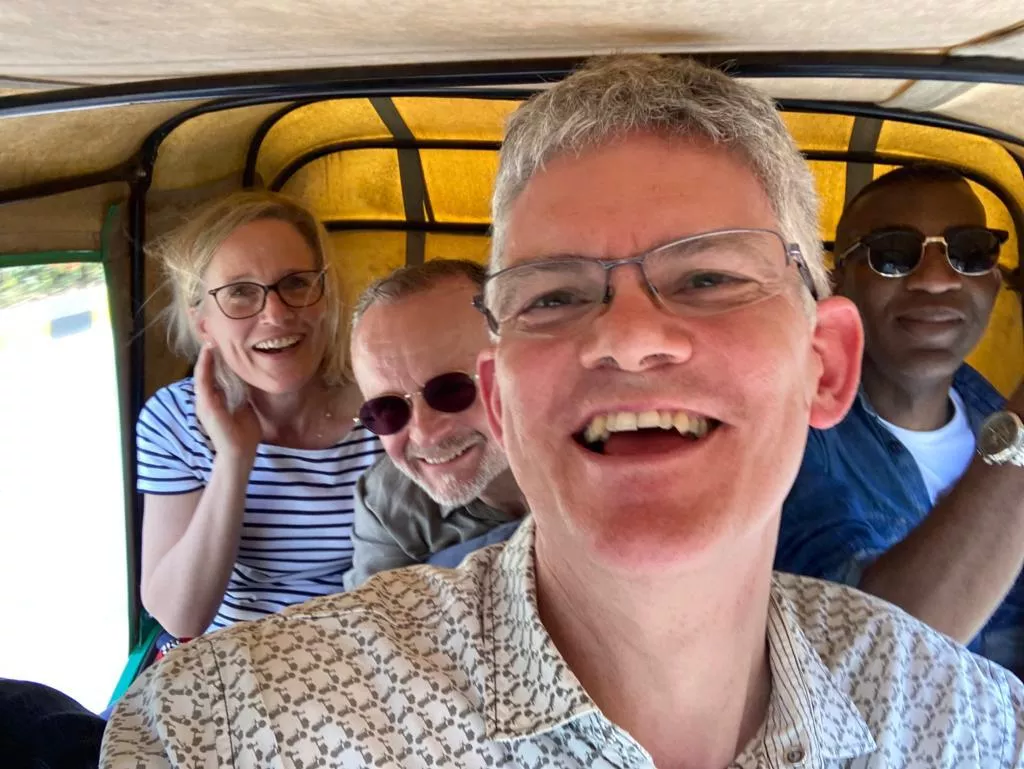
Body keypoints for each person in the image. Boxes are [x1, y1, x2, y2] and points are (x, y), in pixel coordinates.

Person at [102, 56, 1024, 769]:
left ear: (824, 368)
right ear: (506, 399)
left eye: (707, 278)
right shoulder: (234, 729)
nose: (629, 338)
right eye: (553, 295)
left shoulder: (962, 723)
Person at [776, 164, 1024, 675]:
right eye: (892, 254)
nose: (936, 279)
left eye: (970, 252)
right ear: (837, 283)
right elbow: (874, 654)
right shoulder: (792, 440)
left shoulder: (993, 407)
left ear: (995, 280)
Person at [135, 190, 383, 639]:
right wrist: (233, 458)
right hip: (238, 656)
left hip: (369, 647)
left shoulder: (386, 402)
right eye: (240, 293)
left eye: (296, 283)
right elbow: (179, 617)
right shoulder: (174, 421)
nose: (276, 313)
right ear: (204, 324)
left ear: (326, 298)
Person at [344, 259, 527, 588]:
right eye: (388, 409)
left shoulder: (604, 456)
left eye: (452, 391)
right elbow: (374, 616)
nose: (424, 434)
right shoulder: (388, 505)